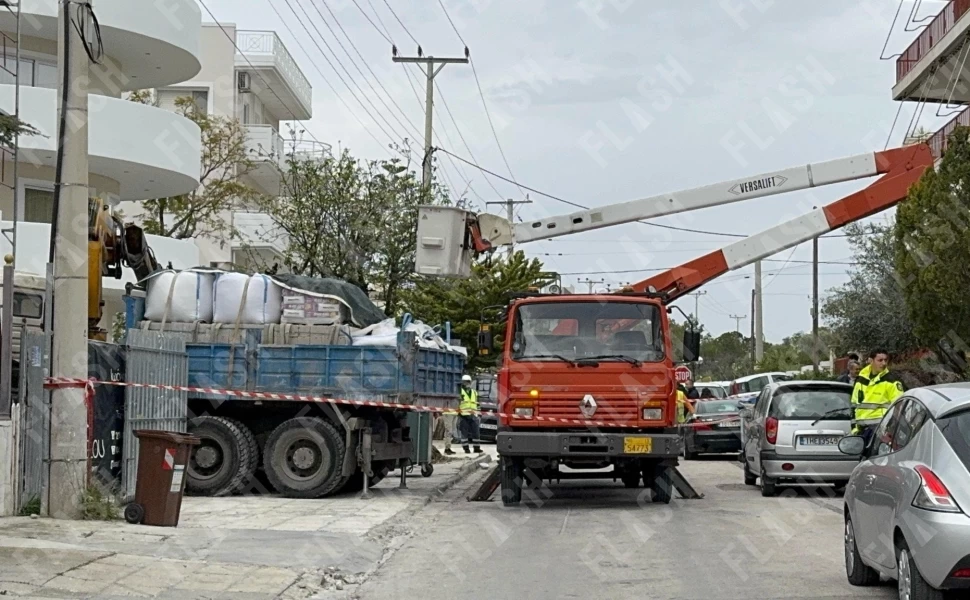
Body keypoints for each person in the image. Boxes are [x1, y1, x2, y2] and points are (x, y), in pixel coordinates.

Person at [851, 349, 904, 440]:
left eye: (885, 360)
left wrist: (890, 430)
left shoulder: (892, 381)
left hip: (880, 432)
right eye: (880, 360)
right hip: (861, 432)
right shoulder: (861, 379)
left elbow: (899, 407)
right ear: (871, 361)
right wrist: (854, 430)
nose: (883, 363)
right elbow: (854, 406)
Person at [458, 374, 482, 454]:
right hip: (463, 415)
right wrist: (459, 413)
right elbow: (457, 403)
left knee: (476, 432)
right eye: (465, 382)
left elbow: (477, 403)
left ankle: (476, 448)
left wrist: (479, 414)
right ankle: (466, 448)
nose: (466, 383)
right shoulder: (459, 392)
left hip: (474, 414)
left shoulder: (474, 392)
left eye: (468, 382)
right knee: (464, 433)